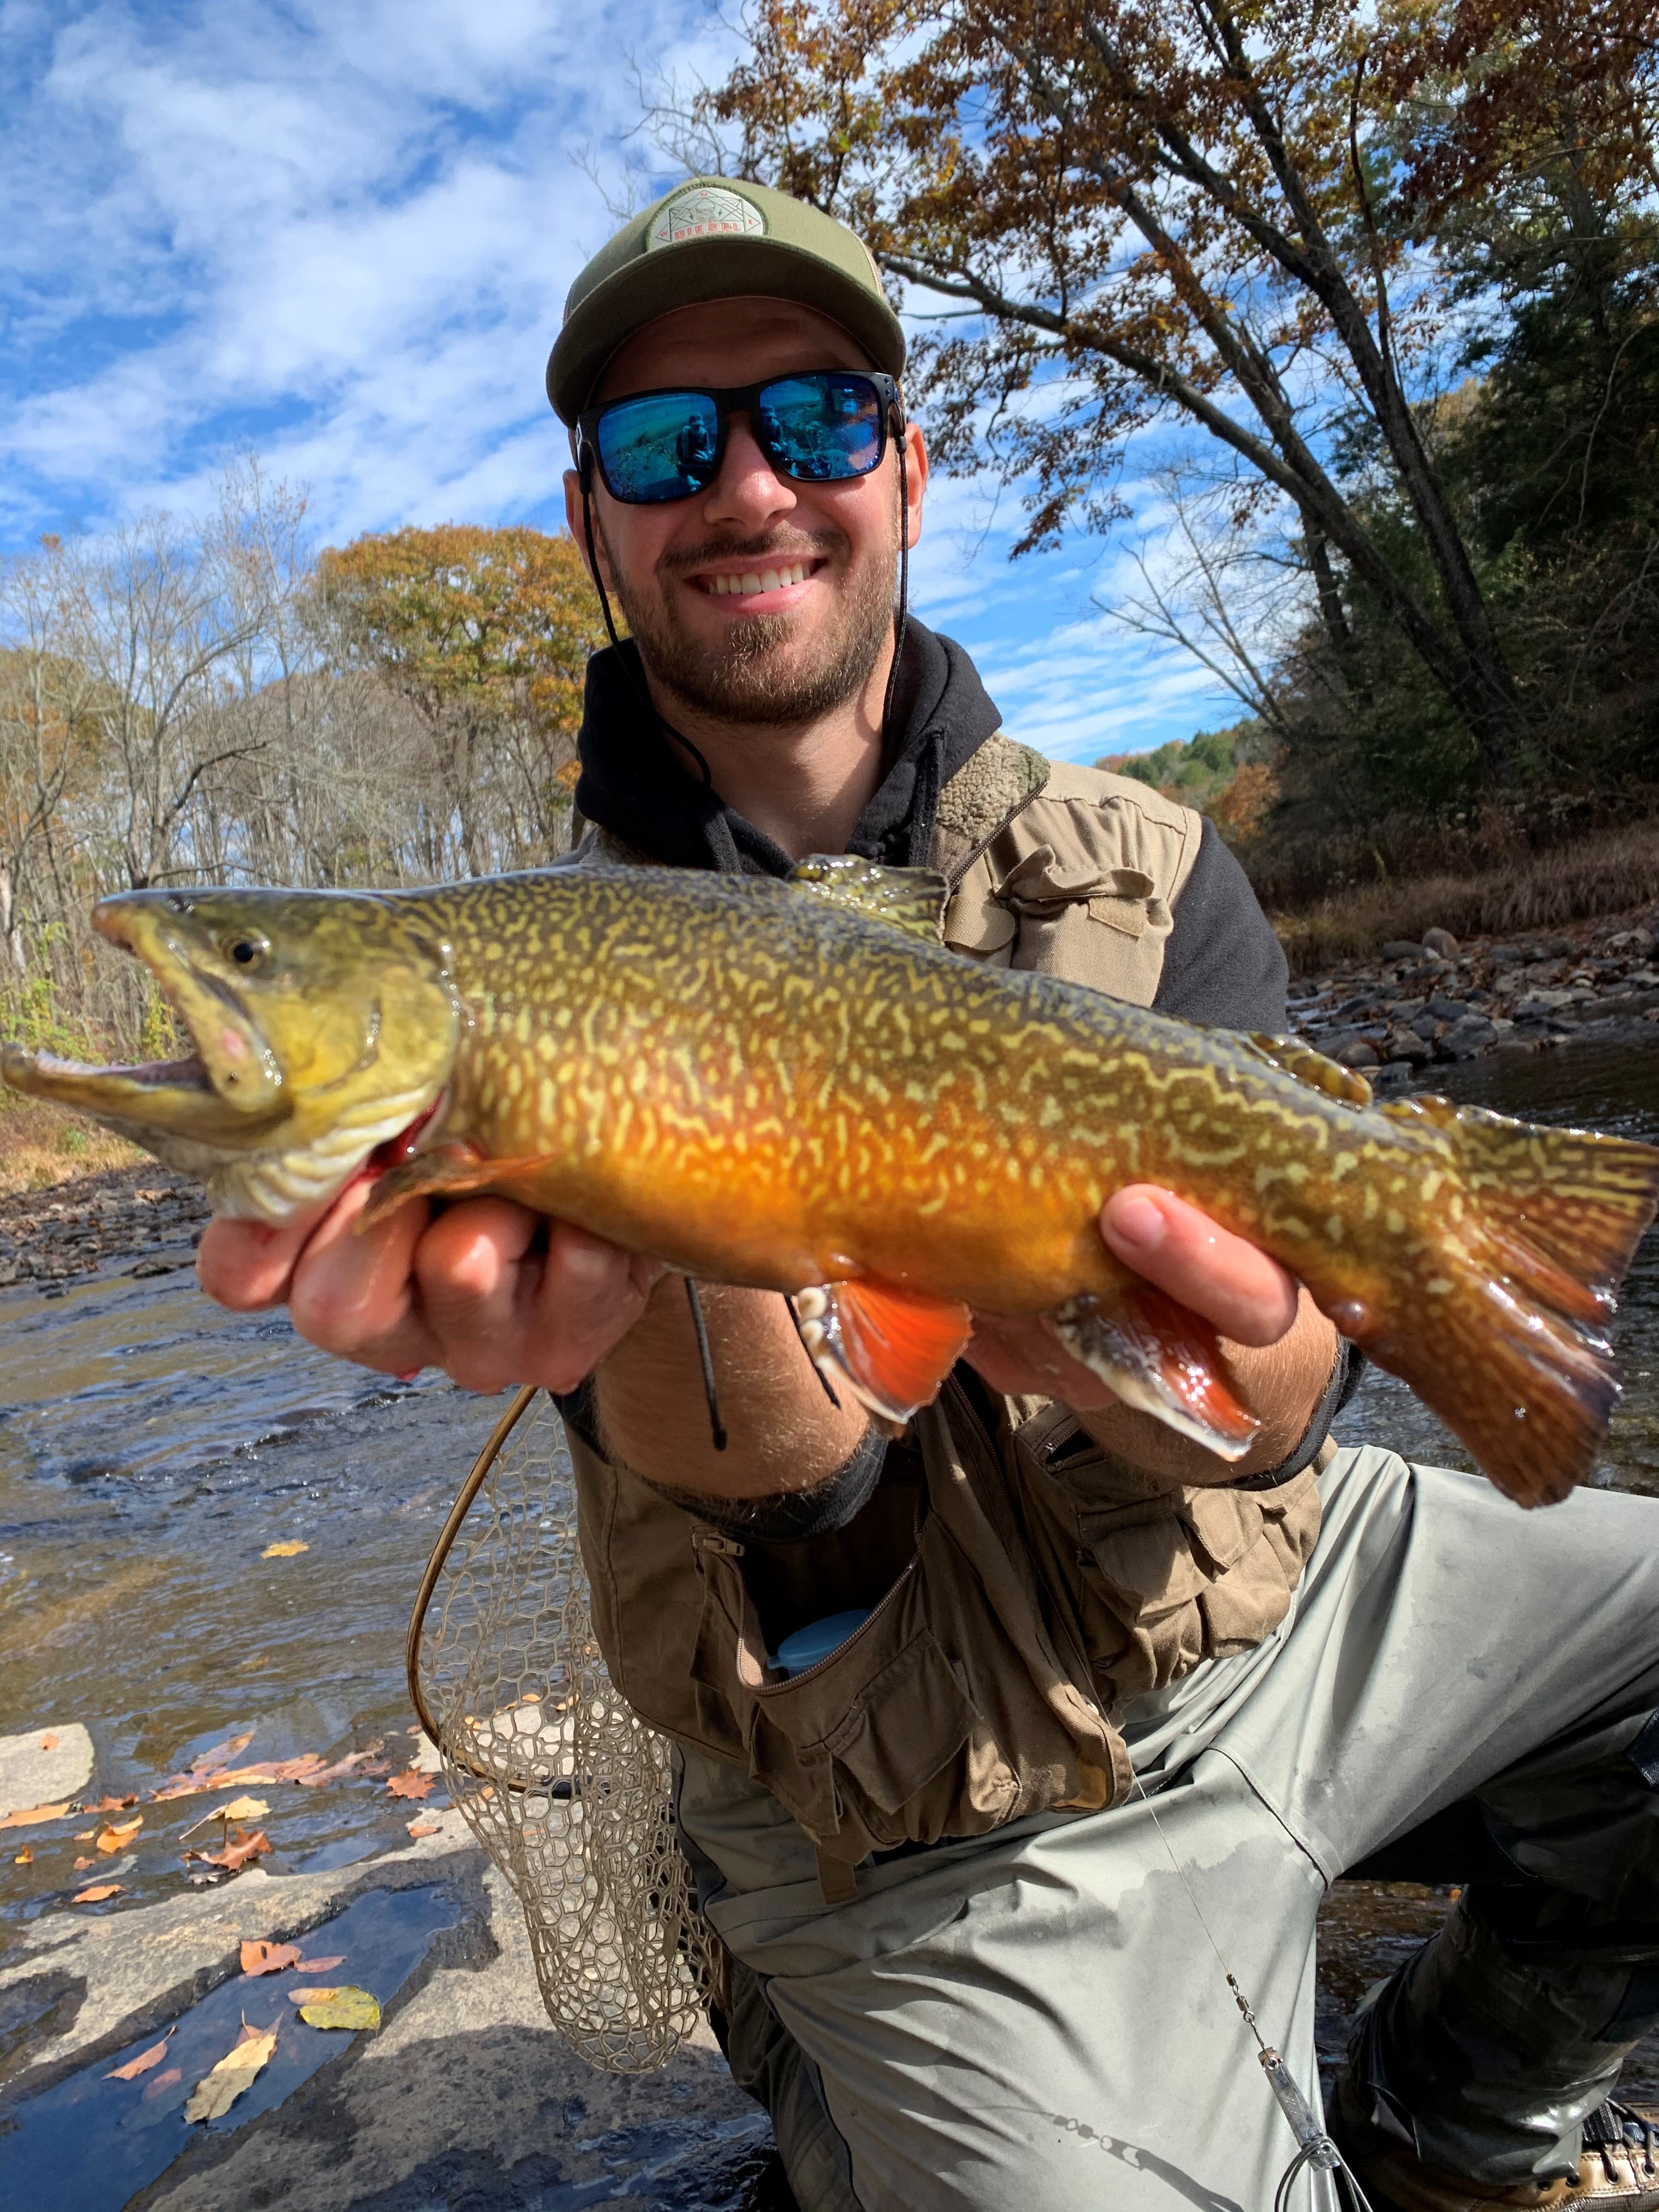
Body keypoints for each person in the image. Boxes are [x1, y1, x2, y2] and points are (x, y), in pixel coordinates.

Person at [198, 177, 1659, 2212]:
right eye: (662, 443)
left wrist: (1207, 1372)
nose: (747, 487)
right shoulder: (556, 975)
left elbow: (1290, 1410)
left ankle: (1458, 2123)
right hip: (899, 1798)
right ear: (591, 517)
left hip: (1257, 1618)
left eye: (813, 418)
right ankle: (834, 2075)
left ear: (903, 468)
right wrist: (699, 1294)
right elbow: (796, 1498)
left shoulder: (1147, 860)